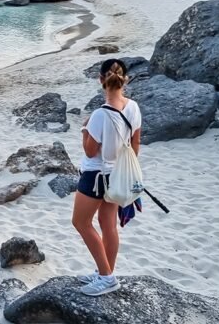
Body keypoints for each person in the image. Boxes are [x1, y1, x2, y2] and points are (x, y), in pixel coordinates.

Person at [71, 58, 142, 296]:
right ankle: (105, 271)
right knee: (108, 225)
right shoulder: (133, 107)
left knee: (80, 223)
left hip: (95, 176)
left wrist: (84, 130)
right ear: (125, 79)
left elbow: (90, 151)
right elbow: (135, 143)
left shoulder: (99, 115)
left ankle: (106, 276)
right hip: (117, 176)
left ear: (101, 80)